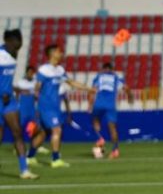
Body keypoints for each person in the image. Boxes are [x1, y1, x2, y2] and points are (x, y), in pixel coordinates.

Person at [26, 44, 93, 168]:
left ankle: (30, 157)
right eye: (59, 52)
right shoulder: (44, 69)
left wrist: (88, 88)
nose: (61, 54)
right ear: (52, 54)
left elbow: (71, 82)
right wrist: (36, 107)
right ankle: (55, 159)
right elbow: (37, 88)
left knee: (43, 133)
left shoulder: (60, 70)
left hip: (55, 107)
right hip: (46, 107)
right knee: (57, 130)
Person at [0, 30, 38, 179]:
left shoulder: (13, 54)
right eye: (18, 41)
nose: (21, 44)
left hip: (9, 101)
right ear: (9, 40)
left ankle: (24, 170)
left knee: (18, 132)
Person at [88, 62, 133, 159]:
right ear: (112, 69)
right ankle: (115, 150)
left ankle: (99, 138)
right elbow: (126, 88)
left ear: (103, 69)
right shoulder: (116, 77)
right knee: (112, 127)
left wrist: (90, 104)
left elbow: (93, 90)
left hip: (98, 104)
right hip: (111, 105)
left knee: (95, 120)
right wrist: (129, 97)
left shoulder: (99, 77)